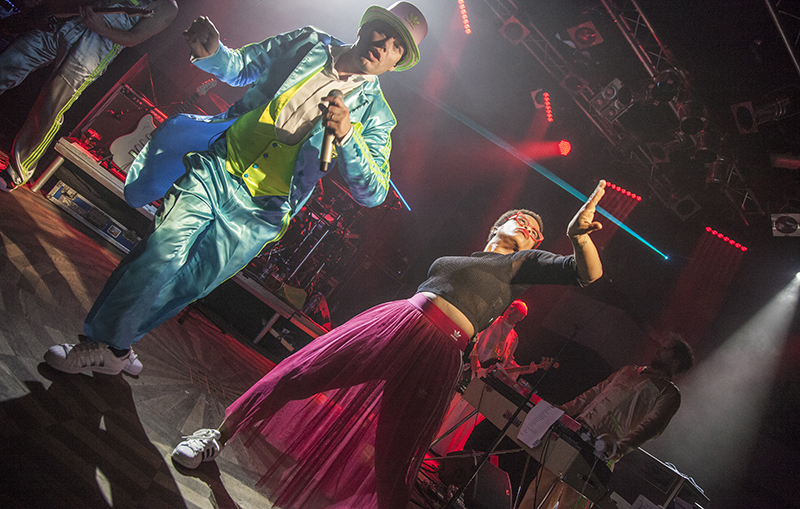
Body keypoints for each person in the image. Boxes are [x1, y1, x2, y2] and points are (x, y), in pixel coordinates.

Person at [42, 1, 428, 376]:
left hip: (262, 211)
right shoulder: (308, 42)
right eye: (383, 32)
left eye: (397, 46)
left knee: (189, 283)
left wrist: (347, 136)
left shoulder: (377, 115)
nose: (384, 46)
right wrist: (213, 53)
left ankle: (118, 345)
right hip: (220, 165)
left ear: (397, 64)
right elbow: (242, 66)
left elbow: (373, 191)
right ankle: (103, 343)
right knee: (161, 251)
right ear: (364, 26)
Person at [168, 181, 607, 509]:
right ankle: (216, 437)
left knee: (395, 460)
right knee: (298, 374)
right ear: (498, 225)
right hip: (399, 323)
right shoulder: (464, 258)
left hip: (439, 355)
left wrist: (579, 236)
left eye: (535, 232)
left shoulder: (522, 265)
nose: (529, 229)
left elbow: (586, 273)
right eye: (522, 220)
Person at [0, 0, 178, 191]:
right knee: (8, 62)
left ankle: (17, 171)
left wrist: (100, 27)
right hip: (67, 24)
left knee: (51, 105)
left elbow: (134, 39)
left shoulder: (166, 4)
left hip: (94, 48)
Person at [519, 336, 695, 509]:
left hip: (602, 450)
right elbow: (594, 392)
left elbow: (652, 427)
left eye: (665, 349)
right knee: (541, 485)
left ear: (676, 362)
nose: (659, 350)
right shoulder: (630, 370)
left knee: (571, 503)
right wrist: (563, 410)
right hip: (578, 431)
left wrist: (619, 448)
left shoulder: (669, 393)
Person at [431, 299, 528, 457]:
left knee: (463, 415)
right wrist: (474, 358)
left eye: (516, 312)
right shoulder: (492, 321)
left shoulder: (514, 338)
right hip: (471, 370)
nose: (511, 312)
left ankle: (443, 448)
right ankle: (430, 436)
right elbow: (475, 338)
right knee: (450, 403)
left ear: (521, 318)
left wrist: (524, 369)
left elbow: (506, 362)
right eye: (511, 308)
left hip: (485, 379)